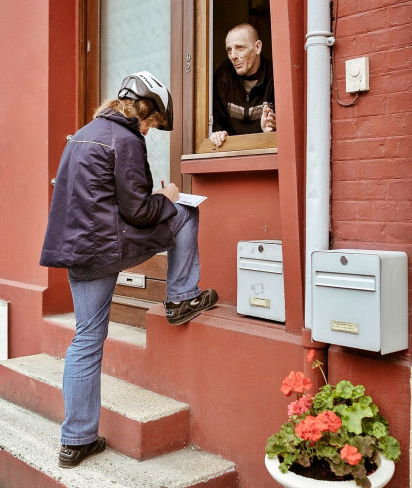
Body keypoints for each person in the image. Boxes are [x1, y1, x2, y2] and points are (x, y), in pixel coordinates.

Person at [40, 71, 219, 468]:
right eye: (153, 122)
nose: (151, 130)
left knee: (86, 338)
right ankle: (182, 297)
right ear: (143, 106)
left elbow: (104, 196)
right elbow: (137, 211)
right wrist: (168, 197)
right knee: (186, 212)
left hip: (79, 254)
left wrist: (147, 197)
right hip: (109, 246)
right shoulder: (125, 139)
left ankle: (76, 439)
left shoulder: (84, 133)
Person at [210, 23, 276, 146]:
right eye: (229, 50)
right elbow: (216, 120)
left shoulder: (275, 76)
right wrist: (218, 133)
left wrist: (270, 130)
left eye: (240, 47)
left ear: (258, 47)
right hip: (231, 154)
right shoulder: (223, 75)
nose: (233, 56)